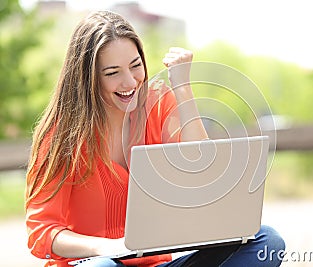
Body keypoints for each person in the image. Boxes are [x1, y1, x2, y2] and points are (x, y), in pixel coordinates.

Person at [25, 10, 285, 267]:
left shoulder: (158, 104)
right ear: (88, 79)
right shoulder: (60, 136)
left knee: (267, 241)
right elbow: (41, 231)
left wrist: (182, 88)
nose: (130, 82)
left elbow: (204, 174)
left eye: (135, 66)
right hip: (93, 263)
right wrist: (108, 248)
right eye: (112, 72)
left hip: (156, 265)